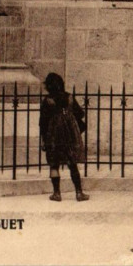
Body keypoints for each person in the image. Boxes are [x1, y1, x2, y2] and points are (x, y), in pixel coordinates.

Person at [39, 72, 89, 202]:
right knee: (72, 163)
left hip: (53, 135)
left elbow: (42, 122)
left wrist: (43, 139)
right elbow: (81, 114)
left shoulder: (47, 100)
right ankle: (79, 193)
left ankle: (57, 193)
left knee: (54, 164)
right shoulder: (69, 97)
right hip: (70, 135)